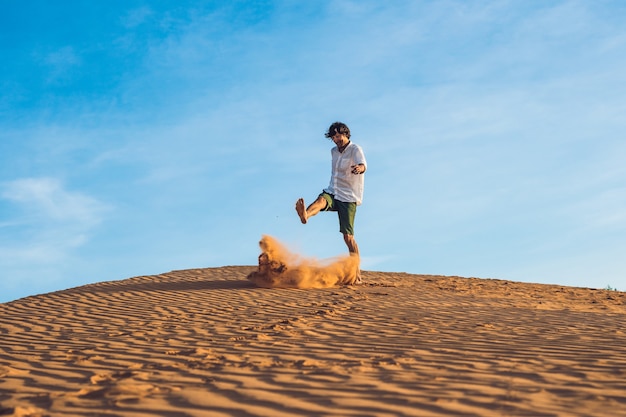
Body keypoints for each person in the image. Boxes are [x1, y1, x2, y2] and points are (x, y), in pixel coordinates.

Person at [295, 121, 367, 282]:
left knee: (348, 238)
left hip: (349, 197)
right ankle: (305, 215)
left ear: (346, 134)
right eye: (334, 137)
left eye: (339, 135)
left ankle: (356, 274)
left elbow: (363, 164)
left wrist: (359, 168)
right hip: (333, 191)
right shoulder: (333, 151)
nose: (336, 139)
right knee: (321, 200)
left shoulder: (355, 149)